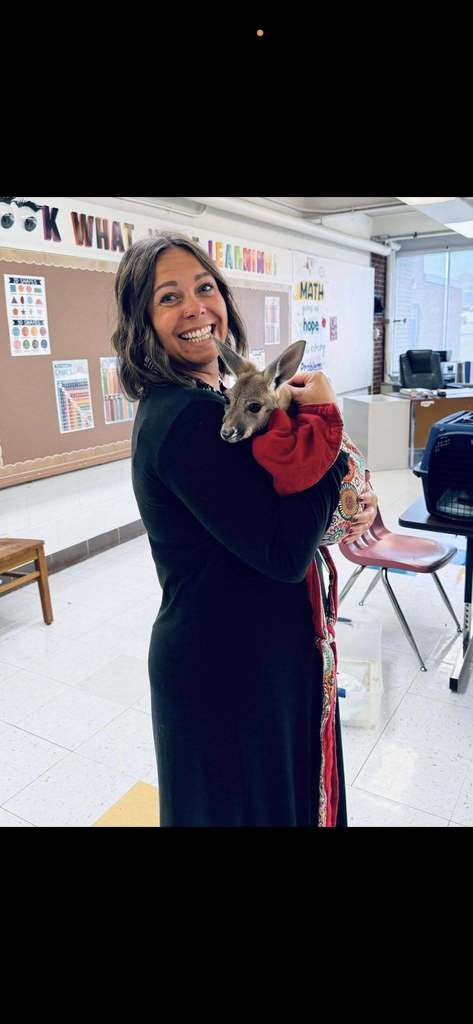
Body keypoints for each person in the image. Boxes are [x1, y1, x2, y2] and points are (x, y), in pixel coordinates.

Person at [111, 232, 378, 828]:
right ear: (142, 321)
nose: (195, 308)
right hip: (229, 669)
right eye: (168, 297)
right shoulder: (187, 418)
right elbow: (285, 549)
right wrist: (324, 426)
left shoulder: (209, 396)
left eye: (204, 288)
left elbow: (272, 516)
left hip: (254, 656)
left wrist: (344, 497)